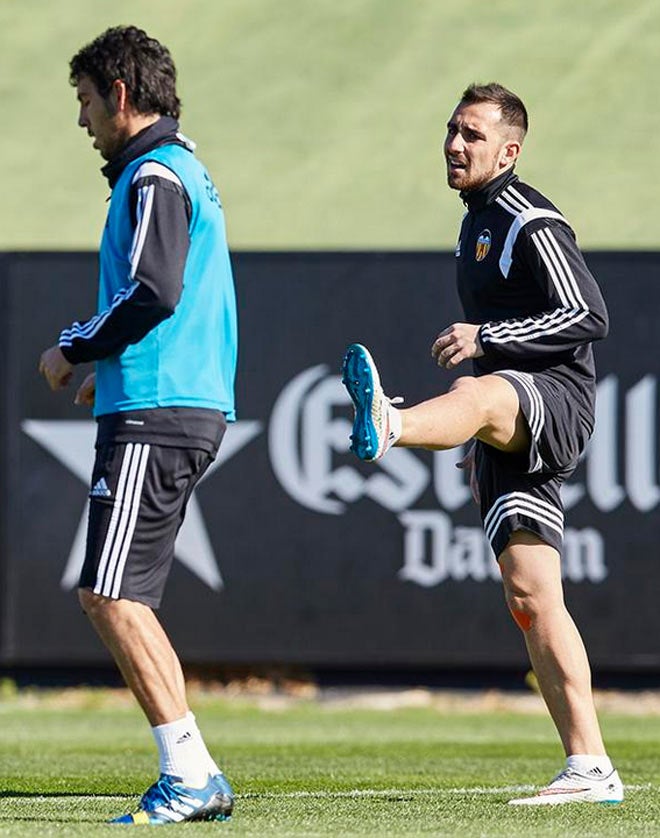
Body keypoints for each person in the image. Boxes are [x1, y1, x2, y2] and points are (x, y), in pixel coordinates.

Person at [342, 83, 623, 806]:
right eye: (451, 130)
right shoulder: (474, 227)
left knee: (476, 393)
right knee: (530, 597)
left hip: (554, 400)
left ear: (510, 150)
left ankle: (391, 423)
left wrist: (487, 341)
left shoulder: (528, 217)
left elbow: (588, 313)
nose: (454, 144)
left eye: (471, 134)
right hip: (508, 424)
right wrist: (482, 428)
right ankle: (591, 767)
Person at [39, 26, 237, 825]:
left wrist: (75, 348)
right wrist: (108, 373)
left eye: (86, 100)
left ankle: (190, 775)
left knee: (110, 593)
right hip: (165, 398)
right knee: (116, 594)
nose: (82, 119)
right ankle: (194, 770)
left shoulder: (156, 173)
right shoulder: (177, 169)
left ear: (120, 96)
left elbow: (154, 291)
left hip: (161, 408)